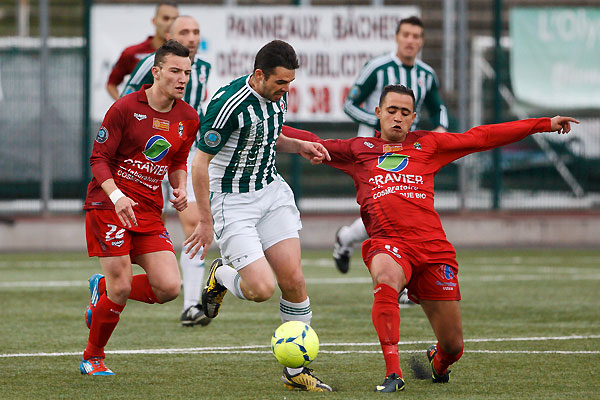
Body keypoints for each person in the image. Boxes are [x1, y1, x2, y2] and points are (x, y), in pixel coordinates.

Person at [283, 84, 578, 392]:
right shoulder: (359, 150)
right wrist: (266, 121)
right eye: (392, 111)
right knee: (385, 279)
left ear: (414, 118)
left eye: (404, 113)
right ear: (378, 113)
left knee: (453, 345)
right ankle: (393, 374)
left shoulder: (429, 144)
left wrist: (543, 124)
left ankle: (438, 362)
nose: (397, 118)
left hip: (432, 250)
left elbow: (482, 137)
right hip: (388, 243)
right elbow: (313, 141)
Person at [183, 40, 333, 392]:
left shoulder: (277, 95)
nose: (286, 89)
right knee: (261, 289)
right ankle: (221, 276)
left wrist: (299, 146)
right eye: (281, 83)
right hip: (232, 201)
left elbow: (268, 135)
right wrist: (205, 221)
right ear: (258, 75)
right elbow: (199, 161)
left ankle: (296, 372)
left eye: (290, 83)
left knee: (293, 281)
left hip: (271, 192)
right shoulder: (227, 104)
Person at [81, 40, 199, 376]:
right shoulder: (124, 108)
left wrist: (179, 186)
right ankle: (93, 356)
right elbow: (98, 159)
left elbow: (176, 159)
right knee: (122, 285)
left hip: (148, 210)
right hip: (108, 204)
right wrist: (117, 196)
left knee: (168, 288)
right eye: (175, 71)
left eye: (187, 72)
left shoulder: (187, 117)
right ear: (156, 71)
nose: (182, 78)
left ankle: (101, 289)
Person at [335, 16, 449, 278]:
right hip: (374, 150)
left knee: (396, 210)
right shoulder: (377, 67)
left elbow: (438, 107)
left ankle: (347, 238)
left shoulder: (426, 74)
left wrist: (441, 127)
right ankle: (395, 278)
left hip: (408, 149)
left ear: (421, 41)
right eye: (406, 35)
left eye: (416, 36)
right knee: (384, 210)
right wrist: (379, 122)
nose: (410, 40)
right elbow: (349, 104)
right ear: (397, 37)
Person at [122, 15, 212, 327]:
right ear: (169, 36)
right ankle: (114, 284)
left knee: (193, 221)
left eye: (196, 31)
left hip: (180, 153)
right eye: (184, 32)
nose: (192, 37)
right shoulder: (151, 64)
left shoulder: (205, 70)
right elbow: (126, 102)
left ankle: (190, 304)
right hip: (144, 155)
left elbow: (196, 113)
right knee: (148, 224)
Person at [106, 1, 179, 100]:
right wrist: (123, 105)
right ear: (154, 20)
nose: (170, 23)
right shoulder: (132, 53)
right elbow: (111, 84)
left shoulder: (184, 56)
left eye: (174, 19)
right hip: (140, 114)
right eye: (165, 18)